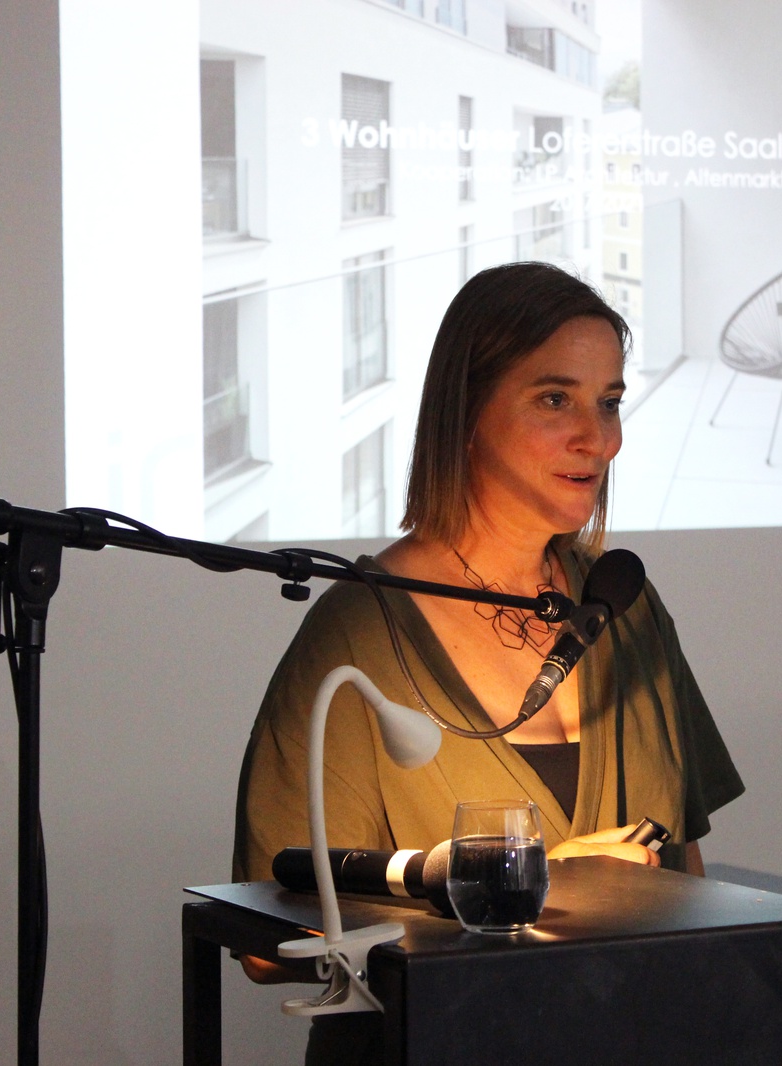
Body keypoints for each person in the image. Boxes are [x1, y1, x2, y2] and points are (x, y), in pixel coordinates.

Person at [231, 262, 744, 1061]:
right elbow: (265, 949)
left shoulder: (624, 609)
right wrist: (512, 893)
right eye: (555, 399)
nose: (599, 438)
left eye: (608, 402)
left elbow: (686, 879)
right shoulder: (357, 636)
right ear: (465, 414)